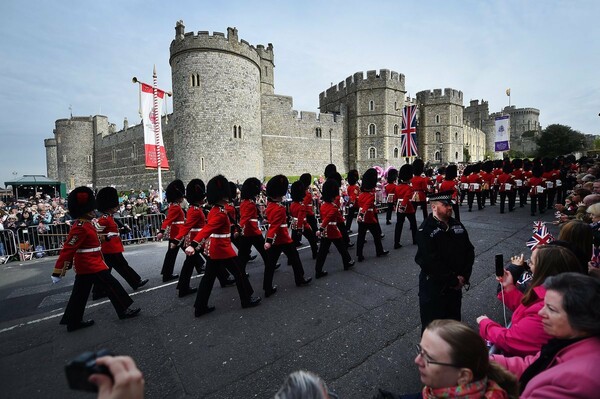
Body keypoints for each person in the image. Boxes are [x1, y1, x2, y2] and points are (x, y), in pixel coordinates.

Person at [491, 273, 600, 398]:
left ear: (581, 318)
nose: (541, 312)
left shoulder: (578, 380)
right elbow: (533, 364)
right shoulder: (567, 343)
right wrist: (486, 361)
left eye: (551, 309)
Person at [51, 187, 140, 332]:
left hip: (90, 264)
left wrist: (106, 237)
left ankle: (73, 321)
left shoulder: (86, 224)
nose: (94, 212)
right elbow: (69, 248)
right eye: (91, 210)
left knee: (79, 294)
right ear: (85, 211)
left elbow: (92, 239)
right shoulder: (79, 226)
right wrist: (58, 270)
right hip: (90, 264)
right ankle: (124, 310)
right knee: (113, 286)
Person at [476, 245, 582, 356]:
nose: (528, 265)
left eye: (531, 262)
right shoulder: (554, 295)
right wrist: (509, 287)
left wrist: (486, 324)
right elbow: (527, 308)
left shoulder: (547, 308)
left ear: (543, 269)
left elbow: (512, 340)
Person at [375, 320, 518, 399]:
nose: (417, 360)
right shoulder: (437, 390)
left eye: (429, 357)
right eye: (421, 350)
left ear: (463, 376)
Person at [185, 175, 261, 317]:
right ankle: (246, 299)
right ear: (223, 195)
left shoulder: (216, 210)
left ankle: (200, 307)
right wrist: (194, 244)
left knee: (208, 278)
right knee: (239, 273)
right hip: (222, 248)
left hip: (215, 249)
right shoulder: (219, 213)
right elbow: (208, 229)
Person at [415, 191, 474, 334]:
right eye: (445, 205)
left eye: (450, 205)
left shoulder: (457, 225)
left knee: (453, 325)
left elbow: (469, 251)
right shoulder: (425, 230)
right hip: (435, 289)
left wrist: (464, 276)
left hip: (455, 288)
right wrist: (453, 280)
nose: (450, 208)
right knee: (433, 328)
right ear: (434, 207)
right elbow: (430, 262)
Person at [92, 187, 149, 300]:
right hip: (110, 248)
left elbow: (112, 230)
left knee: (106, 271)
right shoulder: (104, 218)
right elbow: (96, 232)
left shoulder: (109, 217)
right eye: (115, 206)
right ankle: (135, 281)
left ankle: (97, 291)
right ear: (109, 207)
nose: (117, 207)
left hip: (111, 248)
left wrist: (122, 229)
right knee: (122, 266)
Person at [262, 175, 312, 297]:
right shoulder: (279, 208)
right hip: (282, 238)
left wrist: (269, 239)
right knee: (295, 258)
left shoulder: (271, 206)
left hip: (275, 239)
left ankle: (267, 287)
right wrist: (269, 240)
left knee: (270, 265)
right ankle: (300, 279)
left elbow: (269, 219)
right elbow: (275, 225)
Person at [314, 178, 355, 278]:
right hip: (332, 230)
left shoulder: (323, 206)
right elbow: (328, 218)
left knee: (322, 252)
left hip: (326, 232)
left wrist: (322, 229)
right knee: (342, 247)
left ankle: (318, 270)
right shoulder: (333, 207)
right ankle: (347, 262)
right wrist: (321, 229)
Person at [356, 168, 389, 262]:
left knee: (361, 236)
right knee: (376, 235)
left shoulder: (361, 194)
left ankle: (359, 255)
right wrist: (362, 214)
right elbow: (366, 206)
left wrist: (361, 214)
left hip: (361, 218)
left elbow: (361, 205)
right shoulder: (370, 195)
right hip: (369, 217)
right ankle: (379, 251)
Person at [157, 180, 186, 282]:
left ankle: (166, 274)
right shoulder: (176, 207)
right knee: (188, 251)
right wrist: (161, 231)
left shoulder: (175, 206)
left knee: (171, 254)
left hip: (177, 232)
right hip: (178, 233)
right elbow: (168, 220)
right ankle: (200, 265)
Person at [289, 181, 319, 259]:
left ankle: (290, 258)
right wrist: (300, 228)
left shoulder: (292, 204)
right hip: (303, 225)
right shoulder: (301, 205)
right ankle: (315, 254)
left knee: (292, 243)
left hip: (294, 225)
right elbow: (301, 217)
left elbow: (292, 214)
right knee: (312, 240)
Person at [393, 164, 417, 249]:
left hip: (399, 206)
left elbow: (395, 197)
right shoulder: (409, 187)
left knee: (399, 225)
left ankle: (396, 242)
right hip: (408, 207)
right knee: (413, 224)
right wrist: (403, 206)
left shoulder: (397, 187)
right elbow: (407, 197)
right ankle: (415, 239)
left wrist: (397, 206)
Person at [344, 169, 360, 234]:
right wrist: (352, 202)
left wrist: (349, 203)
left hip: (351, 202)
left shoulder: (349, 187)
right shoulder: (356, 187)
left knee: (350, 217)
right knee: (360, 216)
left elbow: (349, 195)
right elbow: (354, 195)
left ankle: (347, 228)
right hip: (356, 203)